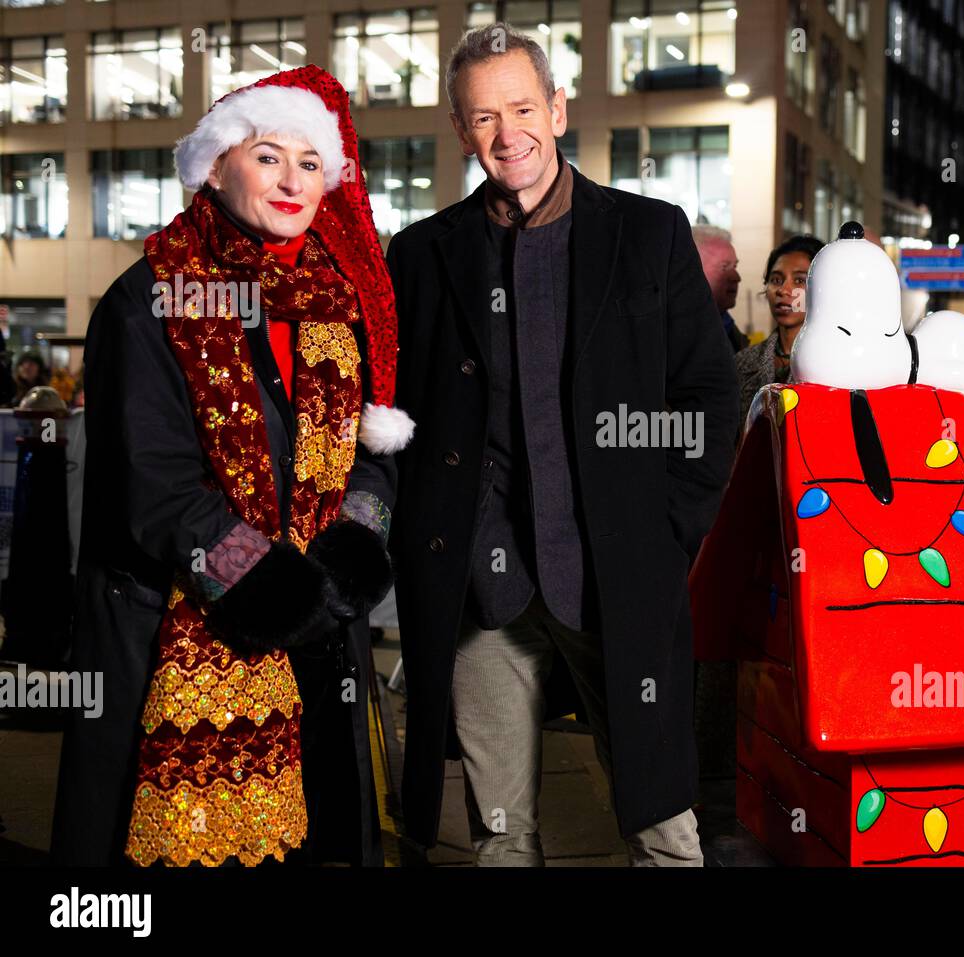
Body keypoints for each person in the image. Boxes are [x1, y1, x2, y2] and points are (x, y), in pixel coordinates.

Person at [386, 22, 738, 866]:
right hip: (484, 594)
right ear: (459, 128)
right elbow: (400, 416)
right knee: (499, 838)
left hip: (614, 577)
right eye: (482, 117)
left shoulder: (650, 234)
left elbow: (708, 398)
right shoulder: (423, 255)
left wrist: (663, 532)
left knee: (664, 826)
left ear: (558, 106)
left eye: (521, 106)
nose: (507, 133)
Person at [50, 65, 409, 867]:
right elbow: (155, 483)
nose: (291, 180)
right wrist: (266, 581)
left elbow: (373, 453)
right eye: (267, 155)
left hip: (317, 641)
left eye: (310, 163)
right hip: (175, 628)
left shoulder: (337, 304)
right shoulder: (147, 300)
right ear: (216, 167)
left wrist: (353, 545)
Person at [735, 234, 825, 423]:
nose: (783, 290)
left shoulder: (840, 365)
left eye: (800, 280)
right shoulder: (742, 363)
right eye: (776, 280)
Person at [693, 224, 748, 352]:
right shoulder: (671, 333)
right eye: (724, 267)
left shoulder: (728, 328)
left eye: (734, 266)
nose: (736, 277)